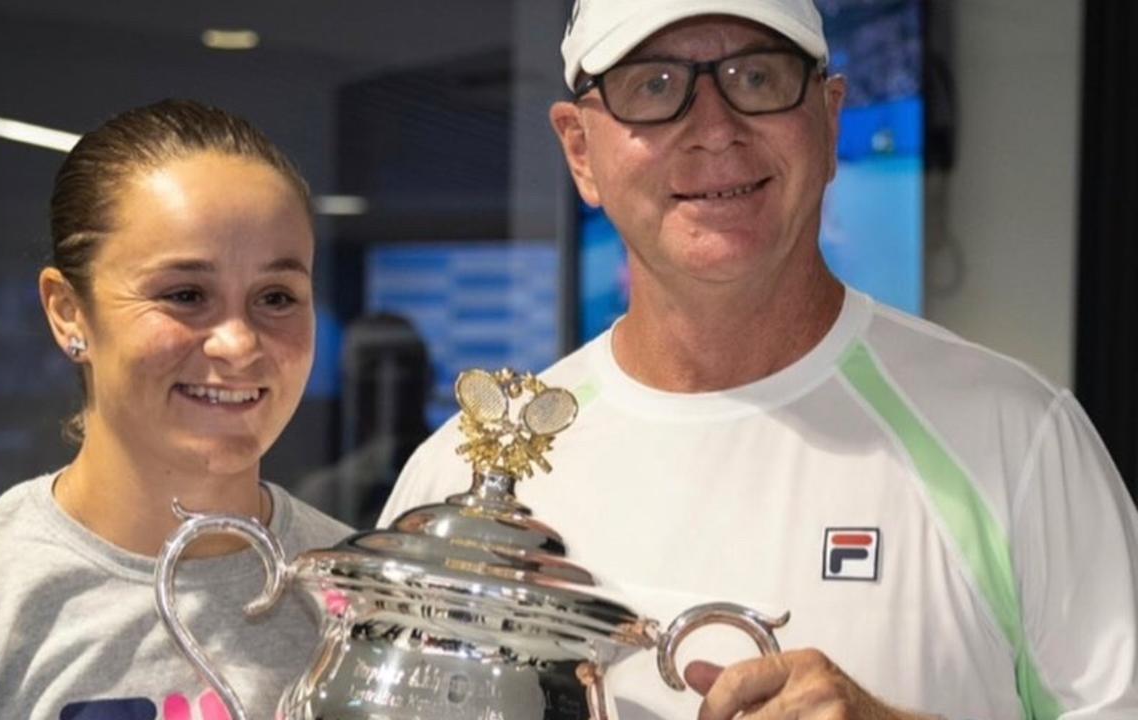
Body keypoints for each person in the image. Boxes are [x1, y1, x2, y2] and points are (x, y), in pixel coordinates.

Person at [379, 1, 1138, 718]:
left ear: (830, 119)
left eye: (757, 78)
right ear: (581, 150)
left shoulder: (1014, 439)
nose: (714, 128)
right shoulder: (466, 479)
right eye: (654, 86)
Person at [0, 99, 351, 718]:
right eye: (185, 294)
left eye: (277, 296)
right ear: (68, 311)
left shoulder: (371, 599)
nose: (238, 343)